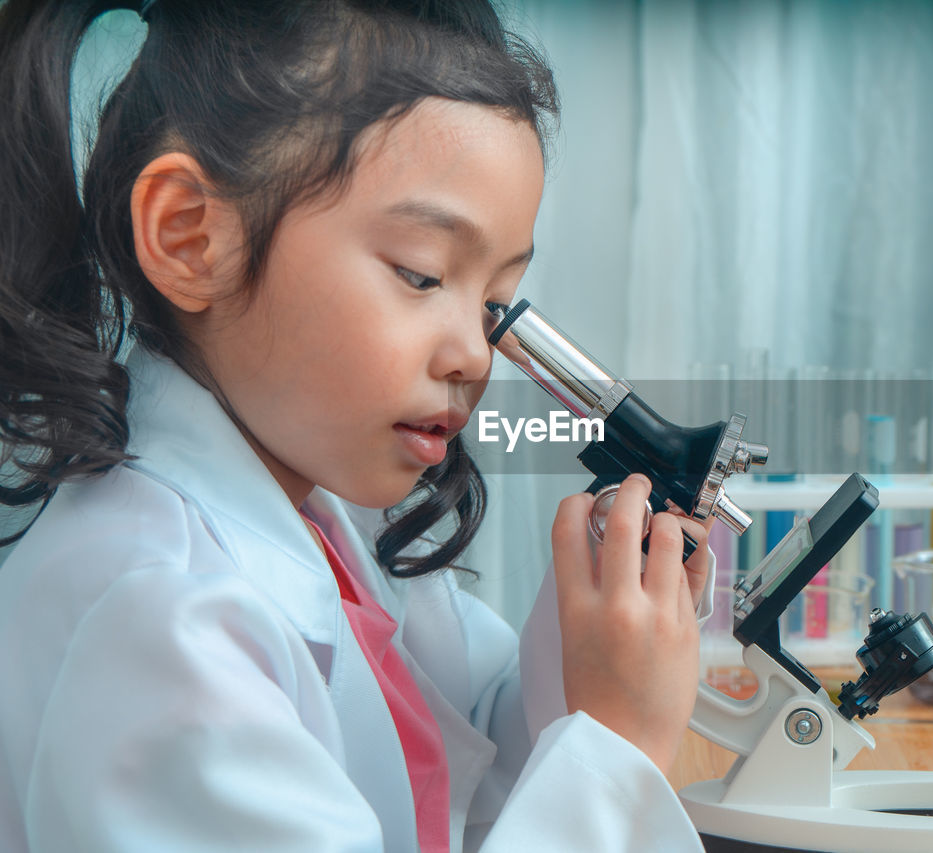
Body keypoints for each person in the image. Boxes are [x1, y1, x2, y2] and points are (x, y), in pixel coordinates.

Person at [0, 1, 715, 850]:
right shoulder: (157, 621)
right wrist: (616, 752)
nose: (475, 356)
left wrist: (596, 649)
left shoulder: (337, 527)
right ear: (191, 236)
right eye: (421, 276)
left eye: (491, 303)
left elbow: (466, 763)